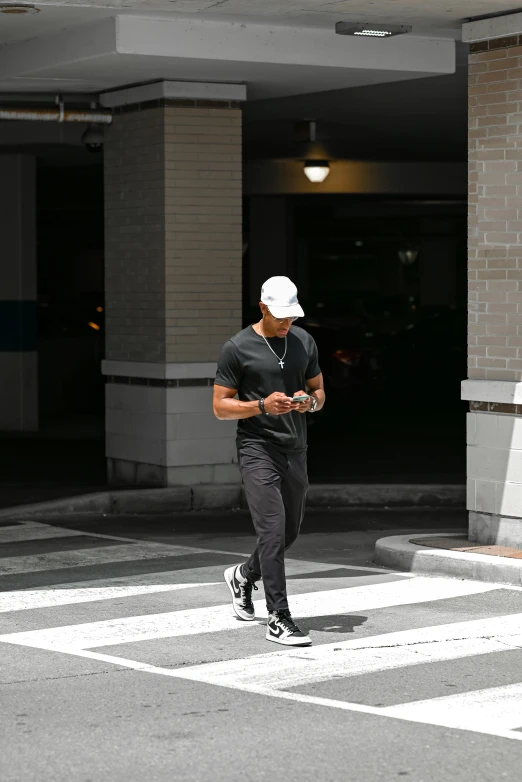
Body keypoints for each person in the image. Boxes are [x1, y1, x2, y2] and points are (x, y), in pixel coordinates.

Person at [213, 276, 325, 646]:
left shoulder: (303, 341)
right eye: (280, 316)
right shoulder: (238, 347)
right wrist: (261, 405)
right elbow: (220, 407)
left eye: (292, 316)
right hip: (257, 447)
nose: (287, 323)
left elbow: (320, 392)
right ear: (262, 308)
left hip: (295, 448)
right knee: (273, 531)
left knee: (289, 530)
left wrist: (309, 402)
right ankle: (279, 616)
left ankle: (243, 575)